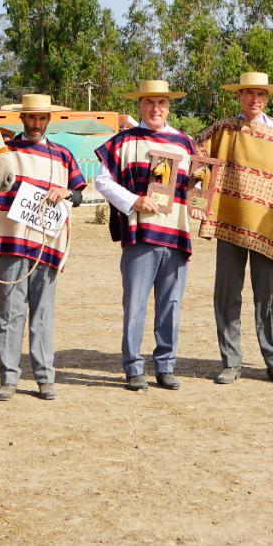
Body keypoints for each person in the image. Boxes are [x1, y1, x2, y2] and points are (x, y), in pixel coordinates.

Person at [195, 71, 273, 385]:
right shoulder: (223, 129)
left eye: (260, 94)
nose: (254, 100)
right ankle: (231, 362)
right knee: (227, 294)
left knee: (268, 297)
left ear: (267, 98)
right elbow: (196, 155)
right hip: (229, 221)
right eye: (248, 93)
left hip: (267, 227)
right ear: (239, 96)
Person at [94, 80, 198, 392]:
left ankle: (166, 365)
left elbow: (197, 184)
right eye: (150, 102)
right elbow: (102, 181)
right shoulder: (123, 141)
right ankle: (133, 367)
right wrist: (133, 201)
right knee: (135, 304)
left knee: (171, 303)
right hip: (140, 234)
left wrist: (199, 201)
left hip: (177, 234)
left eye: (162, 103)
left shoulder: (185, 143)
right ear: (140, 105)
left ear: (169, 106)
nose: (156, 109)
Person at [0, 93, 86, 400]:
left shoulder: (63, 155)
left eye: (42, 118)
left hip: (47, 243)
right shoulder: (5, 152)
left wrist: (66, 192)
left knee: (43, 313)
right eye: (31, 118)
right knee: (10, 312)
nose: (36, 124)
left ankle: (45, 378)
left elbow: (80, 195)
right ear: (22, 118)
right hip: (12, 241)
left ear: (49, 120)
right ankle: (9, 378)